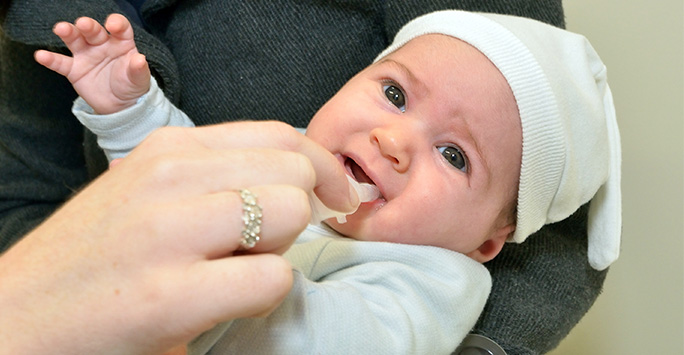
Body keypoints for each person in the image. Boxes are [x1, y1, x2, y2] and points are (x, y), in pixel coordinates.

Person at [0, 1, 612, 354]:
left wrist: (223, 247)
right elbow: (177, 173)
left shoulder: (430, 281)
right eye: (395, 93)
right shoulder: (296, 152)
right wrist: (131, 112)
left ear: (484, 243)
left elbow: (318, 340)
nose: (394, 143)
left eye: (454, 156)